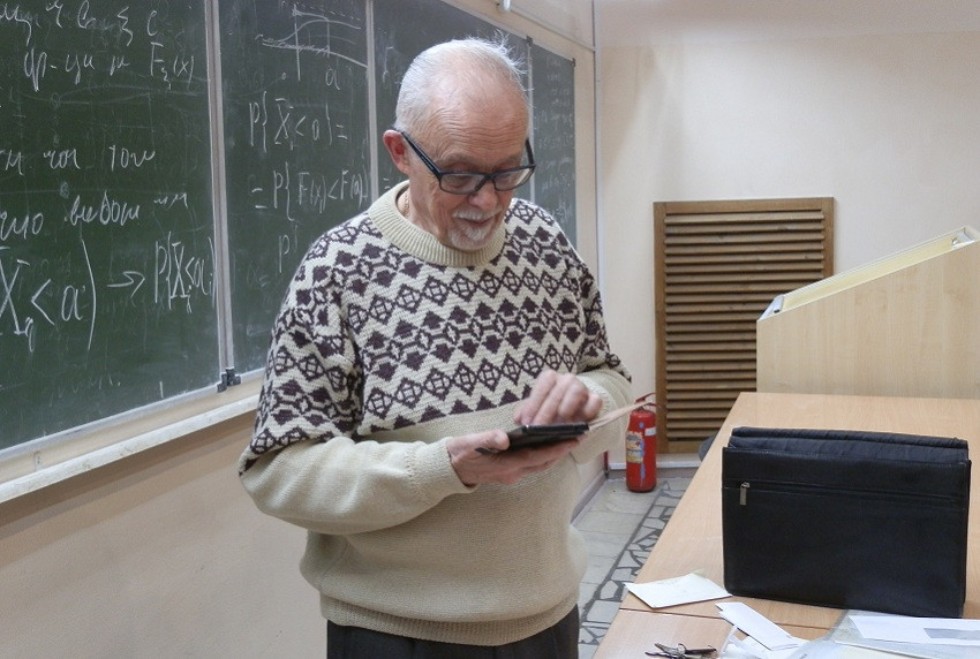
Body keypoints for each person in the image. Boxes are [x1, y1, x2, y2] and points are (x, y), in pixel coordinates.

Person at [239, 36, 631, 658]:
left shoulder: (545, 243)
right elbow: (280, 471)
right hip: (399, 634)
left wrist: (589, 402)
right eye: (461, 174)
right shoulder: (337, 272)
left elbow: (609, 380)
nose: (489, 200)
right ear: (400, 152)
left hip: (547, 618)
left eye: (508, 171)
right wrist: (442, 470)